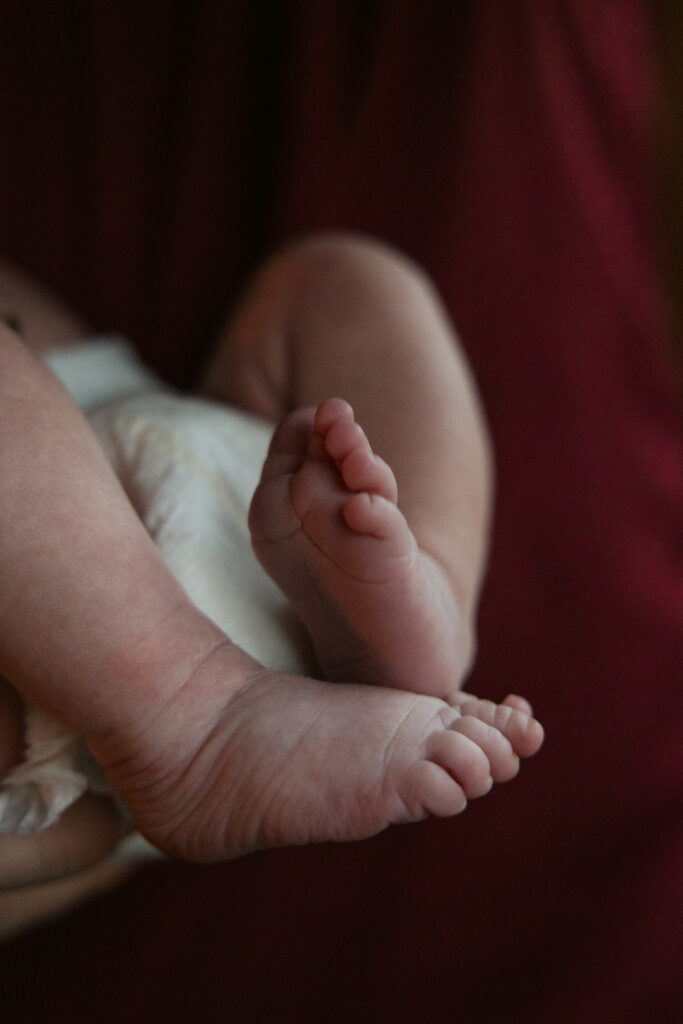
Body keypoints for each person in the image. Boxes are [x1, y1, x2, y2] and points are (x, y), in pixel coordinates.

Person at [0, 236, 543, 879]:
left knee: (342, 282)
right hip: (95, 725)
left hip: (188, 452)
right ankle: (192, 714)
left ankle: (429, 605)